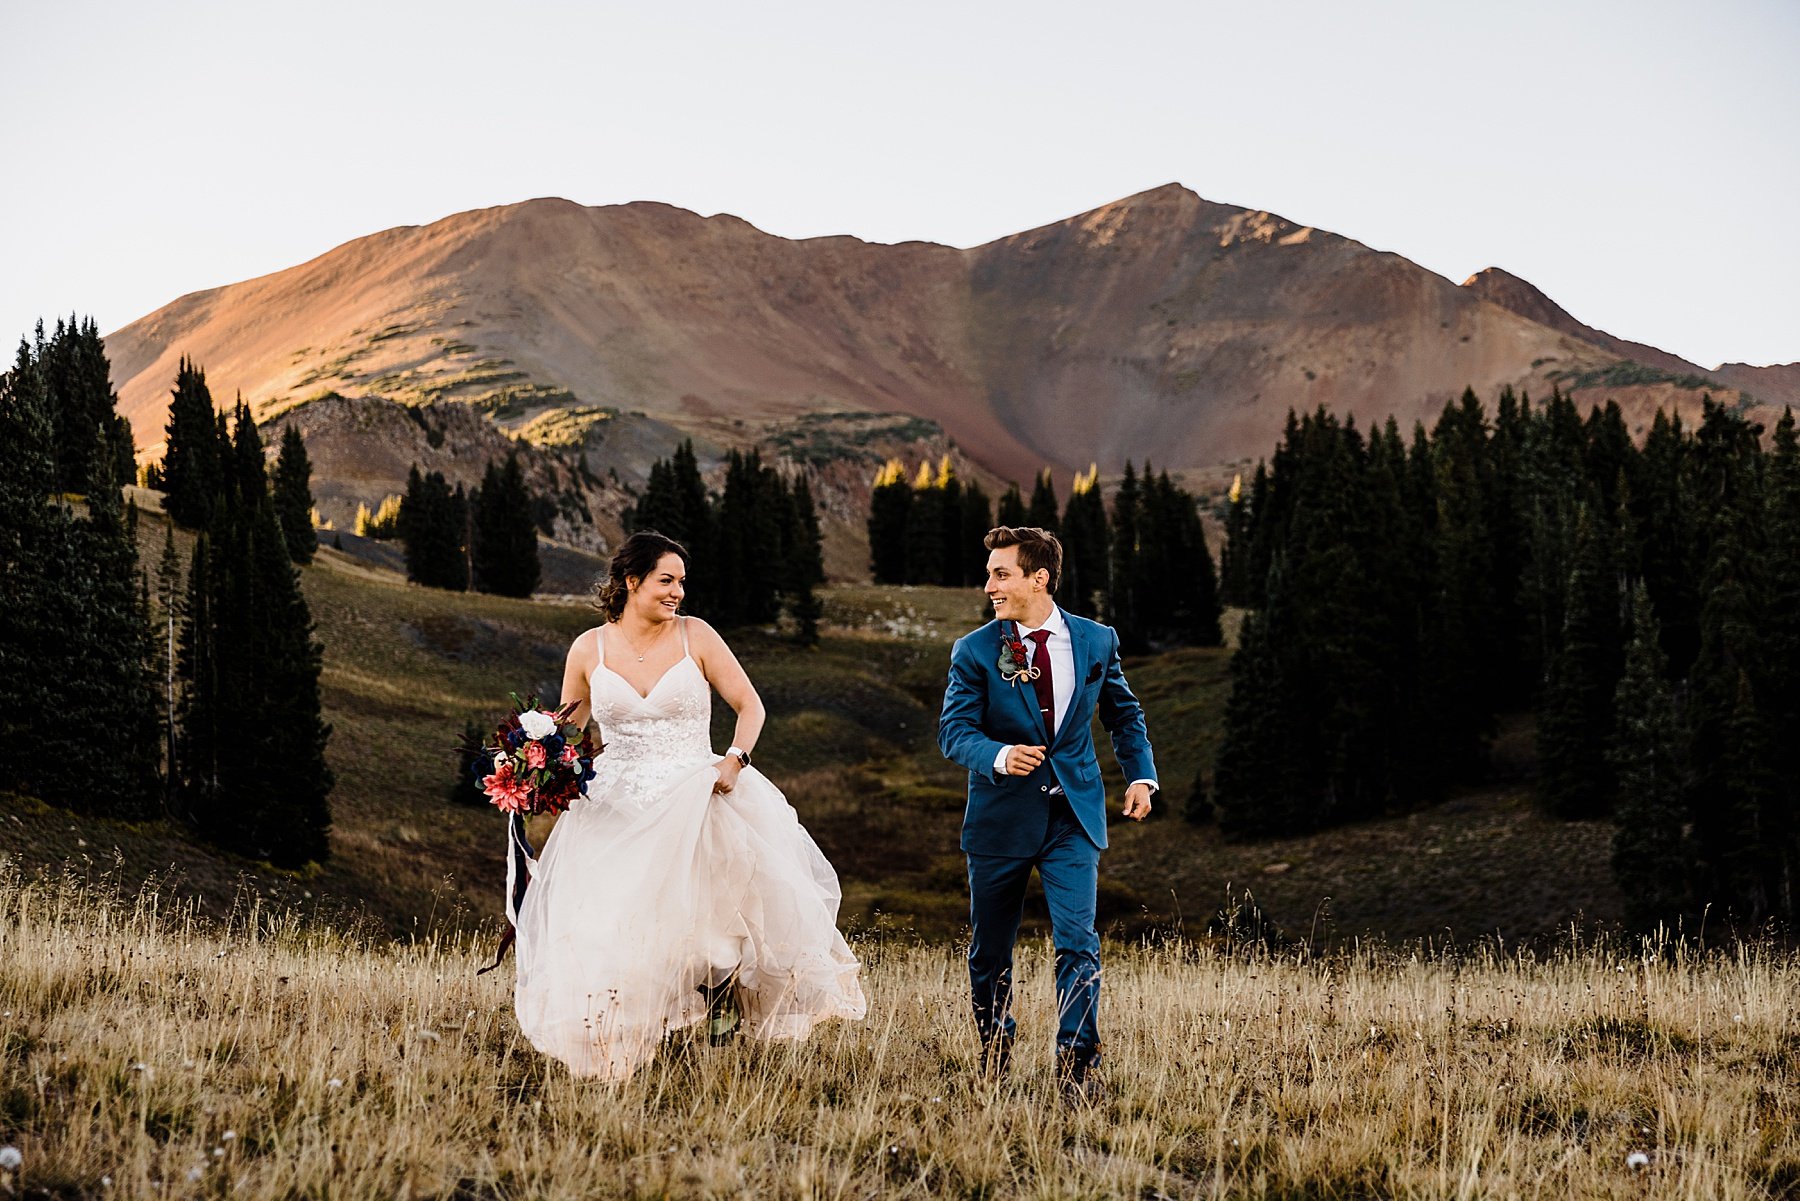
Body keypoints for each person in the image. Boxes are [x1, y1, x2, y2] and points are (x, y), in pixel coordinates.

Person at [512, 531, 865, 1079]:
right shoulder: (588, 648)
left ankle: (719, 1027)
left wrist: (734, 761)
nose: (678, 591)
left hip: (698, 791)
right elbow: (571, 730)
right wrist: (531, 766)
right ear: (632, 582)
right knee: (615, 922)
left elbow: (750, 707)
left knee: (714, 922)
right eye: (666, 580)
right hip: (616, 802)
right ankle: (624, 1034)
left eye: (682, 581)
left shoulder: (696, 635)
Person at [938, 525, 1157, 1104]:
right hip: (1000, 819)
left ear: (1040, 578)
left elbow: (1123, 713)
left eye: (1000, 573)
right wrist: (1000, 755)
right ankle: (994, 1049)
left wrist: (1140, 775)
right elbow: (954, 733)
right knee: (990, 950)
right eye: (989, 574)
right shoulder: (977, 650)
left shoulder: (1095, 641)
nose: (989, 585)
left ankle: (1077, 1064)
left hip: (1073, 817)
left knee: (1078, 941)